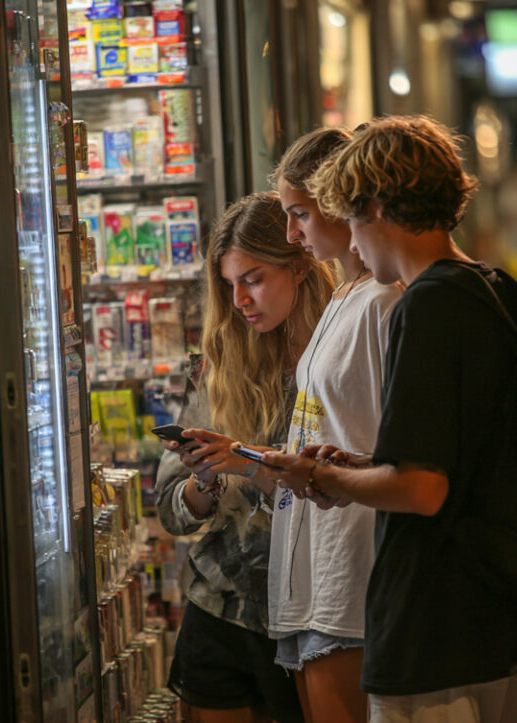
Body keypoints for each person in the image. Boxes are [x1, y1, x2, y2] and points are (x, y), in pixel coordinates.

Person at [263, 115, 517, 722]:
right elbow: (461, 456)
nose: (355, 245)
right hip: (494, 614)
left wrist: (324, 479)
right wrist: (364, 465)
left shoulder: (427, 306)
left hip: (434, 624)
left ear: (379, 208)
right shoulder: (493, 289)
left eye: (351, 217)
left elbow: (423, 488)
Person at [155, 191, 334, 723]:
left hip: (317, 613)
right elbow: (169, 510)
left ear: (299, 267)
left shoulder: (341, 352)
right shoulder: (219, 362)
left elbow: (348, 491)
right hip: (222, 606)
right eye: (228, 285)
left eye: (252, 279)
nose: (239, 300)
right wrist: (205, 477)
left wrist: (248, 461)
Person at [269, 127, 403, 722]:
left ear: (333, 201)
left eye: (299, 214)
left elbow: (392, 441)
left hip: (353, 558)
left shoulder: (385, 300)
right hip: (315, 553)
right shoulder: (346, 293)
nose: (293, 233)